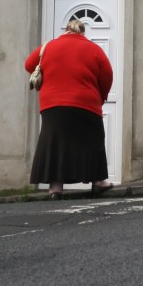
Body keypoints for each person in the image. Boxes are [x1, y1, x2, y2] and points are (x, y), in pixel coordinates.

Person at [25, 19, 114, 199]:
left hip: (52, 104)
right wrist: (101, 97)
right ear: (82, 33)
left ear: (65, 31)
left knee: (55, 143)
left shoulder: (48, 47)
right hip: (85, 102)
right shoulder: (93, 49)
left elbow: (28, 64)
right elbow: (107, 75)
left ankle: (55, 189)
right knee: (92, 139)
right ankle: (98, 182)